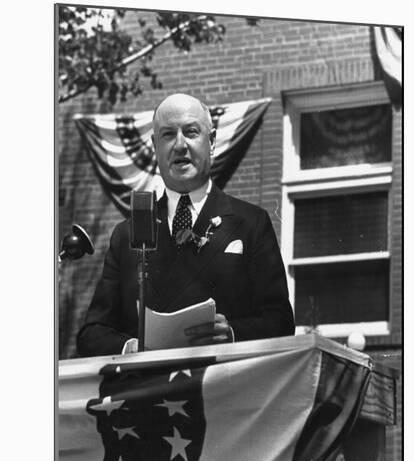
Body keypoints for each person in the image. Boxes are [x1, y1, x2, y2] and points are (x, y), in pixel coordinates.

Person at [77, 93, 294, 357]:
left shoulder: (250, 223)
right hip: (149, 390)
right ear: (155, 146)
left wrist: (233, 334)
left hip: (220, 387)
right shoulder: (127, 235)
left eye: (191, 132)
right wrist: (131, 347)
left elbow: (281, 322)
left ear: (211, 141)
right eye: (168, 135)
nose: (180, 145)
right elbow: (91, 334)